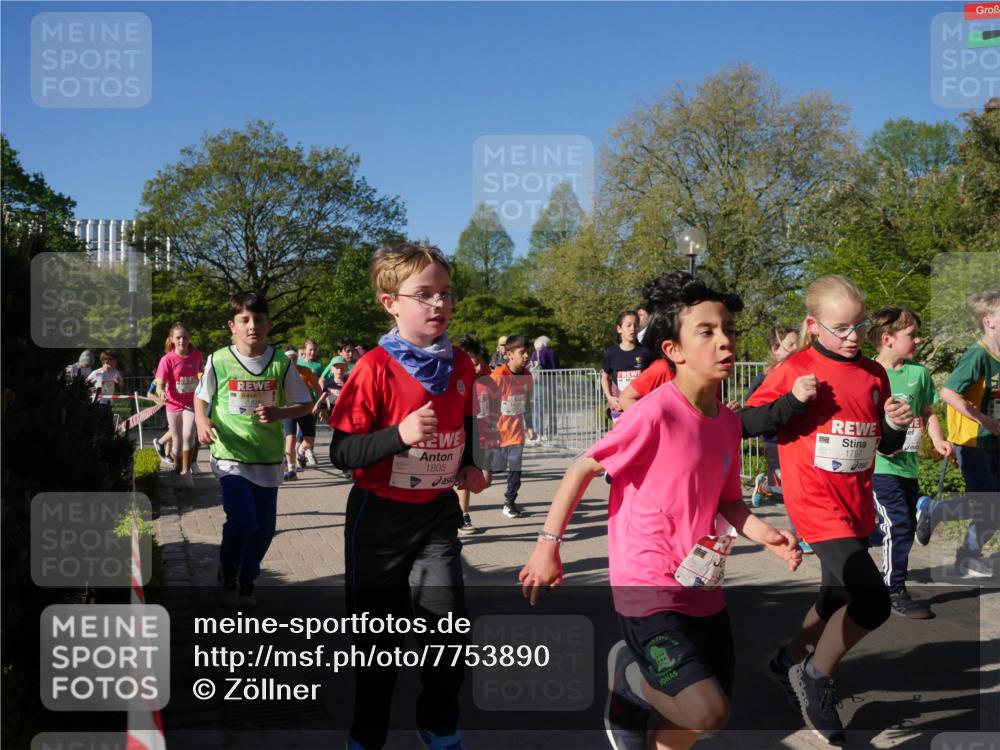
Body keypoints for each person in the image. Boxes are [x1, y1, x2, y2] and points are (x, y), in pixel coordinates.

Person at [520, 273, 802, 750]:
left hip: (701, 584)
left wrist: (764, 533)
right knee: (707, 710)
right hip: (647, 584)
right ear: (674, 350)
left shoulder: (729, 423)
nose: (725, 341)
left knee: (699, 719)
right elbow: (582, 467)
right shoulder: (655, 412)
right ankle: (628, 678)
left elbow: (727, 501)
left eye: (728, 329)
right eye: (707, 332)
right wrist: (548, 547)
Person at [328, 243, 486, 750]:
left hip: (437, 516)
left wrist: (469, 463)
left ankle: (438, 728)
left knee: (449, 635)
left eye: (445, 293)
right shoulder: (373, 367)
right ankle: (366, 736)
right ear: (390, 302)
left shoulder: (460, 364)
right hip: (379, 520)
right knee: (378, 644)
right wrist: (399, 435)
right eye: (424, 295)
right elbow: (342, 451)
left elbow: (463, 420)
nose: (438, 304)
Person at [744, 274, 912, 744]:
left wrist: (894, 425)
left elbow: (884, 443)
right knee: (873, 601)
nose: (853, 336)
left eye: (859, 326)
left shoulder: (875, 373)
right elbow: (746, 422)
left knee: (836, 597)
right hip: (815, 503)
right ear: (813, 326)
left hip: (855, 501)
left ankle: (786, 661)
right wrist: (793, 402)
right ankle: (815, 675)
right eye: (841, 328)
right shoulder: (794, 367)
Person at [194, 292, 312, 608]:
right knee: (244, 520)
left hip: (268, 458)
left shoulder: (280, 362)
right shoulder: (218, 360)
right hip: (229, 454)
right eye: (244, 320)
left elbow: (305, 405)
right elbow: (201, 397)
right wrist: (202, 421)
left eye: (258, 319)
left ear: (268, 324)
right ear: (232, 326)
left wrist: (280, 413)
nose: (252, 326)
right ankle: (230, 573)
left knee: (264, 530)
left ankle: (248, 578)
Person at [864, 307, 952, 617]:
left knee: (898, 526)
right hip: (880, 467)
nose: (917, 340)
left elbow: (928, 412)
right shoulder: (869, 374)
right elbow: (863, 419)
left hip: (908, 467)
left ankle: (865, 572)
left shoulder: (918, 373)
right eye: (911, 335)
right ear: (887, 339)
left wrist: (939, 439)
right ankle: (893, 589)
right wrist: (880, 447)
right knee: (899, 526)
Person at [917, 290, 1000, 578]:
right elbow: (948, 392)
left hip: (995, 442)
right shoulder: (977, 355)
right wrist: (984, 420)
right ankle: (938, 512)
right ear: (989, 321)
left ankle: (965, 552)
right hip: (972, 441)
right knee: (990, 504)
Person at [748, 325, 799, 507]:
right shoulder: (765, 377)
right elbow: (751, 407)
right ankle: (765, 485)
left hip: (797, 439)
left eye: (798, 345)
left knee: (796, 487)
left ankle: (768, 485)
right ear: (775, 349)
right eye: (791, 344)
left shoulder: (799, 374)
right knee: (786, 488)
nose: (796, 349)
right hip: (774, 439)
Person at [455, 334, 498, 534]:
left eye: (479, 364)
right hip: (462, 431)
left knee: (485, 481)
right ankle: (463, 516)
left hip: (484, 434)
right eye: (473, 364)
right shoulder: (457, 378)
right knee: (464, 476)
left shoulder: (489, 380)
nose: (476, 368)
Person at [492, 335, 537, 519]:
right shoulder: (499, 376)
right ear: (509, 354)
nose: (526, 356)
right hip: (497, 431)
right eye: (522, 352)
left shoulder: (527, 375)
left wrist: (530, 426)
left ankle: (509, 501)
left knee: (515, 471)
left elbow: (526, 403)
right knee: (494, 469)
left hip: (516, 432)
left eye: (528, 352)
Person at [154, 323, 203, 487]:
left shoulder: (196, 354)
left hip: (191, 401)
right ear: (172, 340)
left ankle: (186, 471)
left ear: (189, 338)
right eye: (178, 338)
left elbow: (199, 370)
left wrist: (202, 376)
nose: (182, 341)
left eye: (185, 337)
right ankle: (177, 469)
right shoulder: (167, 359)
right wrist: (160, 391)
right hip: (173, 403)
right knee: (177, 441)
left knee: (189, 434)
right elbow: (160, 383)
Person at [601, 311, 655, 423]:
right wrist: (610, 398)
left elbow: (653, 378)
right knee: (623, 439)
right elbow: (605, 377)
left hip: (640, 405)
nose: (633, 328)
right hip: (619, 407)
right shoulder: (611, 352)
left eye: (635, 325)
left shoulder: (646, 352)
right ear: (619, 329)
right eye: (628, 325)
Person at [281, 347, 323, 479]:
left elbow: (317, 388)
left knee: (309, 440)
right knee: (291, 438)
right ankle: (291, 469)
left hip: (305, 407)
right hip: (288, 409)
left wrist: (320, 405)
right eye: (289, 360)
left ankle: (300, 450)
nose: (292, 363)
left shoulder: (305, 371)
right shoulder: (280, 373)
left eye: (294, 359)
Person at [529, 335, 559, 439]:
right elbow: (557, 368)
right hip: (552, 383)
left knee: (539, 409)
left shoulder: (535, 353)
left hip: (540, 384)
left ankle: (540, 433)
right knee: (552, 409)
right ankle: (552, 432)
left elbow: (530, 367)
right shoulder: (553, 353)